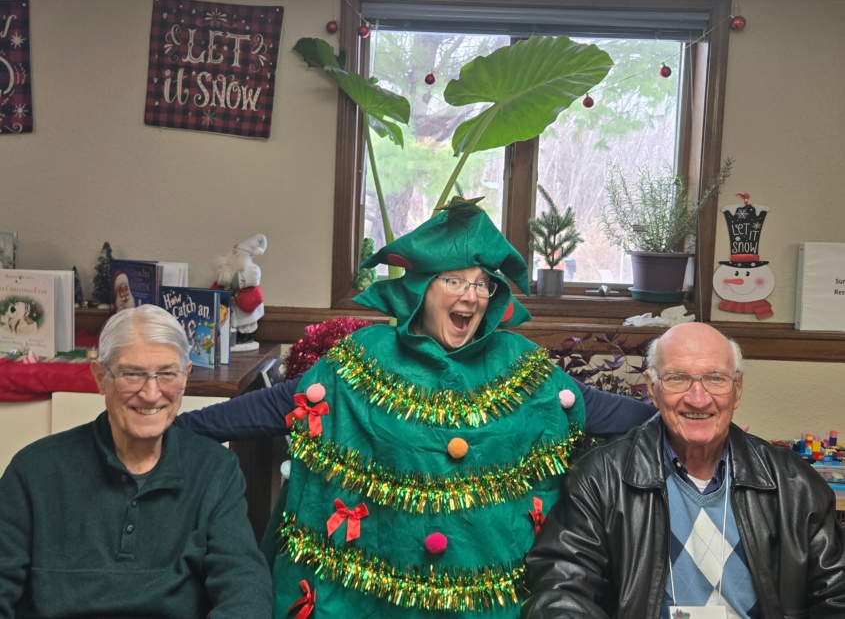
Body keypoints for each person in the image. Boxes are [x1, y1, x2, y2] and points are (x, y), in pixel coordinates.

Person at [178, 197, 656, 618]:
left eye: (482, 284)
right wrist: (176, 429)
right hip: (371, 598)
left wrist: (678, 420)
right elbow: (282, 404)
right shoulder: (365, 355)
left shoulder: (520, 363)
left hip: (488, 601)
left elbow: (601, 410)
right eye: (455, 280)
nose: (471, 295)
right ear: (422, 288)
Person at [522, 321, 845, 619]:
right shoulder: (600, 477)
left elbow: (836, 595)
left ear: (737, 389)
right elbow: (560, 588)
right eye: (677, 378)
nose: (698, 399)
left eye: (715, 378)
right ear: (652, 387)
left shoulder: (793, 482)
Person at [0, 305, 272, 619]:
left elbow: (245, 588)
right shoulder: (33, 471)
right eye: (132, 374)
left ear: (186, 376)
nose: (151, 394)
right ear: (100, 378)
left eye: (167, 374)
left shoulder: (216, 470)